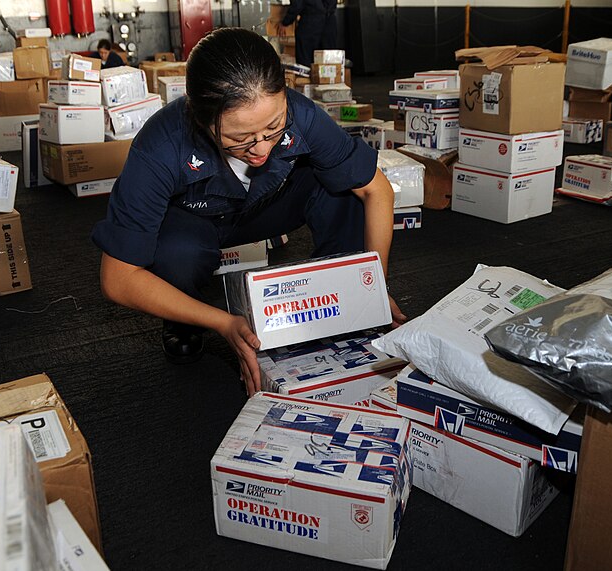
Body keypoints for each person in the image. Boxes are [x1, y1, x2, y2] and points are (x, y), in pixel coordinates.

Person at [92, 28, 406, 396]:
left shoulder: (301, 115)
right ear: (200, 118)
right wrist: (223, 322)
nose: (260, 149)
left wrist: (373, 284)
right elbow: (117, 278)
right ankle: (181, 319)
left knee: (346, 190)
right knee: (175, 254)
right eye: (240, 138)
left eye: (274, 128)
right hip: (197, 222)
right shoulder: (160, 145)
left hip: (267, 207)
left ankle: (340, 294)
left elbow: (376, 189)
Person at [279, 0, 337, 67]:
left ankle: (306, 77)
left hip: (310, 21)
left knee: (305, 63)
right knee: (328, 62)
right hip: (330, 22)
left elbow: (297, 5)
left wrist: (285, 22)